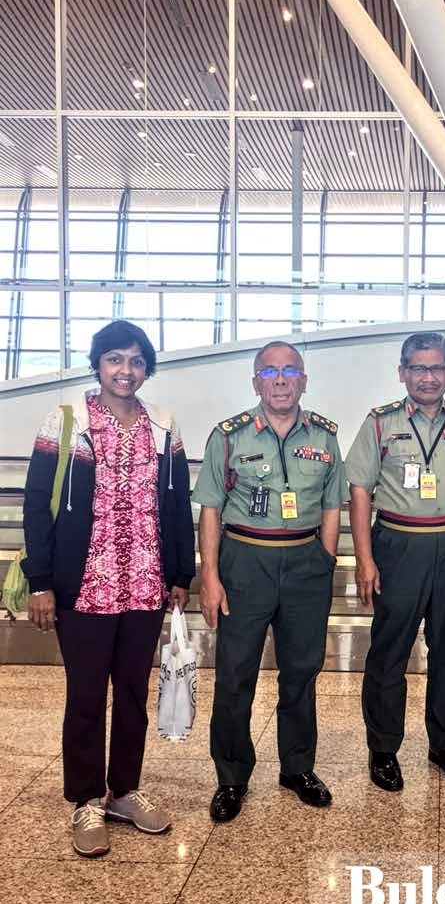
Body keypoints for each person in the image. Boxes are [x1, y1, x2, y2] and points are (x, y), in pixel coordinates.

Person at [22, 320, 195, 858]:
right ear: (98, 364)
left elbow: (176, 503)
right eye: (116, 359)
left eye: (137, 361)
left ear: (147, 369)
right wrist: (41, 582)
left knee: (133, 694)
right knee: (86, 695)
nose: (126, 370)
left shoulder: (163, 425)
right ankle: (85, 799)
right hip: (85, 584)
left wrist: (179, 574)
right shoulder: (67, 422)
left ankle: (123, 791)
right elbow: (36, 506)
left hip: (143, 581)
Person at [345, 332, 445, 791]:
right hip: (399, 544)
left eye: (437, 368)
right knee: (389, 651)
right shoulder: (380, 423)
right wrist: (364, 559)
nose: (429, 377)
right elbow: (359, 491)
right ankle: (383, 748)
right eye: (419, 368)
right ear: (403, 373)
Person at [193, 341, 346, 819]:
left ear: (304, 380)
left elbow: (331, 503)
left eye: (290, 371)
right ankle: (232, 775)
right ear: (255, 381)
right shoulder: (229, 436)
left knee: (302, 671)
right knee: (236, 673)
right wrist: (210, 576)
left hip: (305, 563)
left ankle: (297, 767)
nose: (280, 380)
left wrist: (323, 557)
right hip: (245, 562)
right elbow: (211, 510)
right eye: (270, 371)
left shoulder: (324, 436)